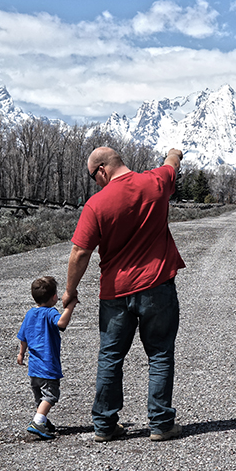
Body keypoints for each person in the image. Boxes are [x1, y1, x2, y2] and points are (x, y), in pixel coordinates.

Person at [62, 146, 186, 443]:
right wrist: (175, 152)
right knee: (159, 354)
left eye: (95, 176)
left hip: (115, 292)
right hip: (157, 285)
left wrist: (70, 291)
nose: (96, 182)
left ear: (102, 169)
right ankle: (160, 424)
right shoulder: (155, 182)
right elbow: (171, 165)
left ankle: (104, 425)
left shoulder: (97, 203)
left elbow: (80, 252)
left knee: (111, 356)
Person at [16, 276, 74, 440]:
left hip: (33, 368)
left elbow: (23, 336)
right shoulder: (50, 312)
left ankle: (43, 420)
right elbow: (61, 324)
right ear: (54, 296)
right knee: (50, 395)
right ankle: (38, 422)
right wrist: (70, 306)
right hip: (47, 366)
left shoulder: (30, 314)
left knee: (40, 398)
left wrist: (21, 354)